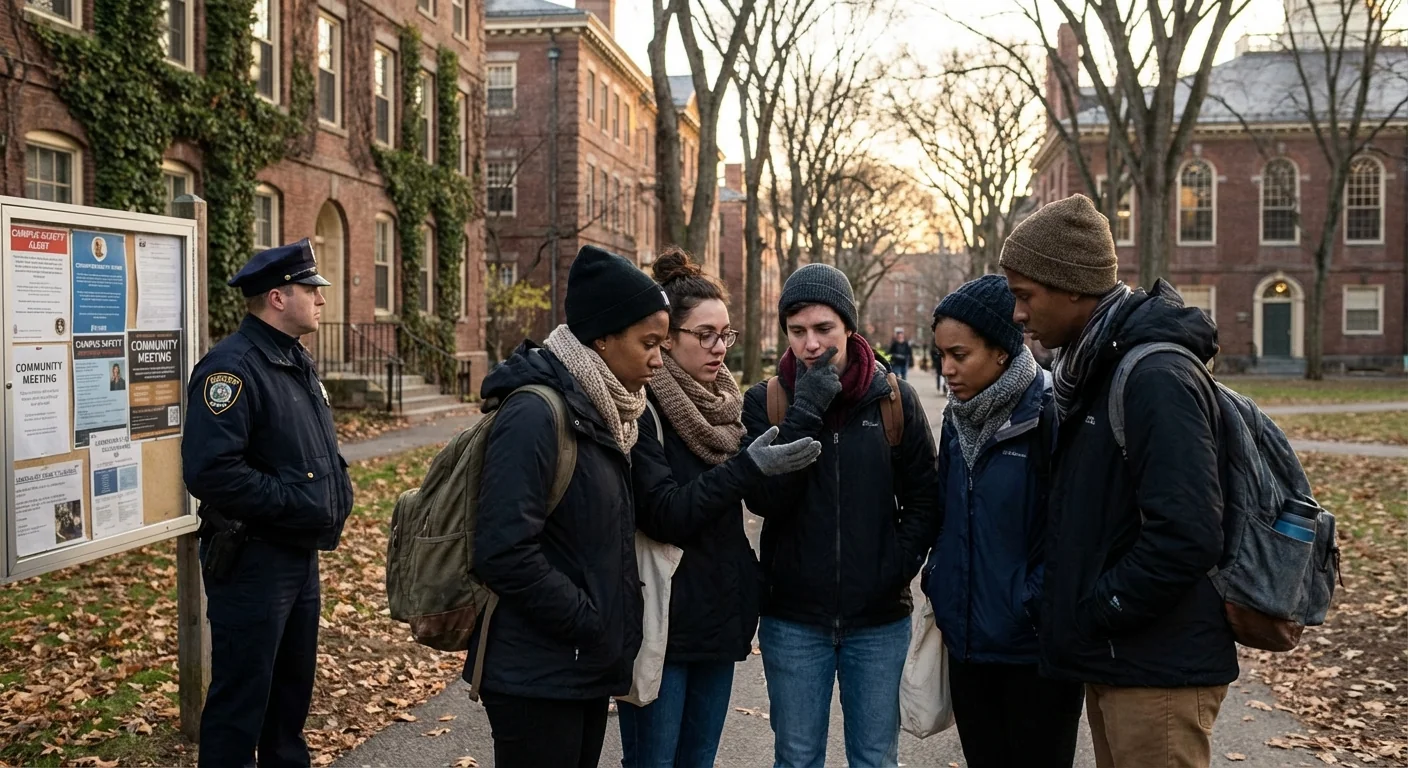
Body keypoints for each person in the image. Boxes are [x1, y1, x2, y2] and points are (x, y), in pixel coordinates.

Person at [1000, 194, 1236, 768]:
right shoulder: (1092, 372)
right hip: (1119, 658)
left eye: (1025, 295)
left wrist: (1098, 607)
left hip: (1156, 666)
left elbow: (1187, 533)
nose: (1018, 315)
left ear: (1074, 286)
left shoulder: (1154, 374)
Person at [464, 245, 666, 768]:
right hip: (536, 676)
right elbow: (503, 551)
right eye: (648, 343)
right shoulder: (536, 413)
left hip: (578, 668)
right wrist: (589, 621)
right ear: (602, 337)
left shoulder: (606, 412)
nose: (658, 359)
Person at [620, 248, 821, 767]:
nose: (719, 349)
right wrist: (746, 469)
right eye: (703, 335)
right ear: (667, 339)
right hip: (663, 627)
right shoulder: (643, 410)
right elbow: (665, 513)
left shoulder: (727, 406)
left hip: (719, 621)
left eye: (725, 334)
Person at [741, 263, 940, 768]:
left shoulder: (893, 399)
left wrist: (892, 568)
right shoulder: (767, 402)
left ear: (849, 326)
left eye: (824, 329)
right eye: (798, 331)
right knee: (797, 757)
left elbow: (924, 498)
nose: (811, 344)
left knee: (874, 759)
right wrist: (805, 409)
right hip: (793, 620)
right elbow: (765, 500)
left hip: (877, 621)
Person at [182, 238, 353, 767]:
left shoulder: (293, 359)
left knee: (289, 702)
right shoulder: (231, 369)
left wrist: (329, 492)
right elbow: (212, 471)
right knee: (241, 705)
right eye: (310, 289)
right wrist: (298, 502)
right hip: (255, 561)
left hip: (298, 558)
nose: (321, 300)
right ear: (277, 298)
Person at [924, 275, 1084, 768]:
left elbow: (1072, 534)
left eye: (959, 355)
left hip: (1033, 650)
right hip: (969, 644)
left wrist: (1031, 604)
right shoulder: (956, 419)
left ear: (1001, 351)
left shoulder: (1052, 413)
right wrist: (941, 585)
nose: (947, 370)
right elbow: (947, 518)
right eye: (941, 356)